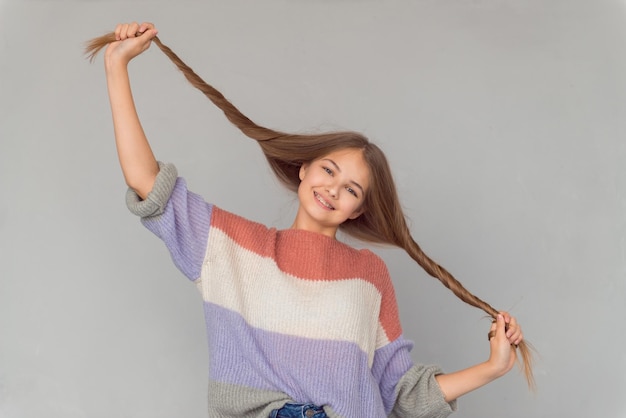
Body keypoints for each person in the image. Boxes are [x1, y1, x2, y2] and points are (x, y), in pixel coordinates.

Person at [95, 21, 528, 418]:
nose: (333, 190)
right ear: (304, 168)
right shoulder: (231, 246)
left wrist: (492, 368)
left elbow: (401, 393)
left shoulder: (368, 275)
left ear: (357, 209)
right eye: (328, 170)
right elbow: (148, 184)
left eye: (352, 190)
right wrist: (117, 67)